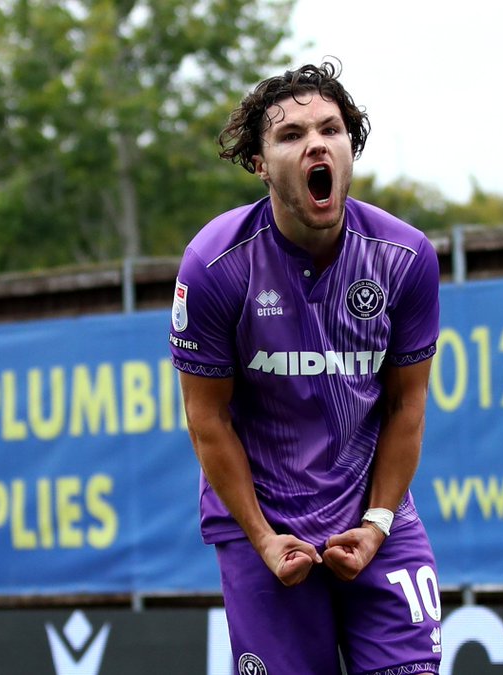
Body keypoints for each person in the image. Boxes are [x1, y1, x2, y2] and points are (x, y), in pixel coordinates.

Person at [169, 61, 442, 675]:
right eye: (290, 135)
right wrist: (264, 539)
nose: (316, 142)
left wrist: (375, 525)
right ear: (260, 163)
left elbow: (406, 407)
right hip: (263, 534)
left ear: (350, 148)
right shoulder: (215, 264)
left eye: (331, 129)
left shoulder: (405, 258)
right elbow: (206, 418)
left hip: (376, 524)